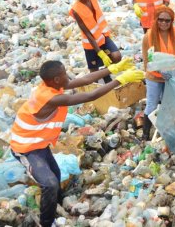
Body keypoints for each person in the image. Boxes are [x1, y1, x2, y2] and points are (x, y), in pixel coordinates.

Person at [10, 60, 144, 227]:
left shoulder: (51, 85)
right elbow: (90, 96)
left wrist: (112, 69)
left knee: (56, 175)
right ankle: (46, 222)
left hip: (39, 143)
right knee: (50, 183)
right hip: (25, 148)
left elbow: (85, 80)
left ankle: (57, 205)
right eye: (64, 73)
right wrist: (120, 80)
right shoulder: (49, 98)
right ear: (57, 80)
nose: (68, 75)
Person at [142, 6, 175, 140]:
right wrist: (159, 70)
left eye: (167, 21)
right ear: (156, 20)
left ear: (172, 22)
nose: (164, 23)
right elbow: (148, 60)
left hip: (170, 77)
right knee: (152, 104)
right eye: (161, 20)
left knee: (167, 104)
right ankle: (145, 134)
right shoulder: (149, 36)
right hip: (154, 77)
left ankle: (165, 131)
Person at [70, 0, 122, 83]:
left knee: (117, 56)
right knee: (94, 73)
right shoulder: (76, 10)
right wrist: (100, 53)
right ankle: (100, 81)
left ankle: (106, 73)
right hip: (90, 44)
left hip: (103, 36)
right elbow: (87, 33)